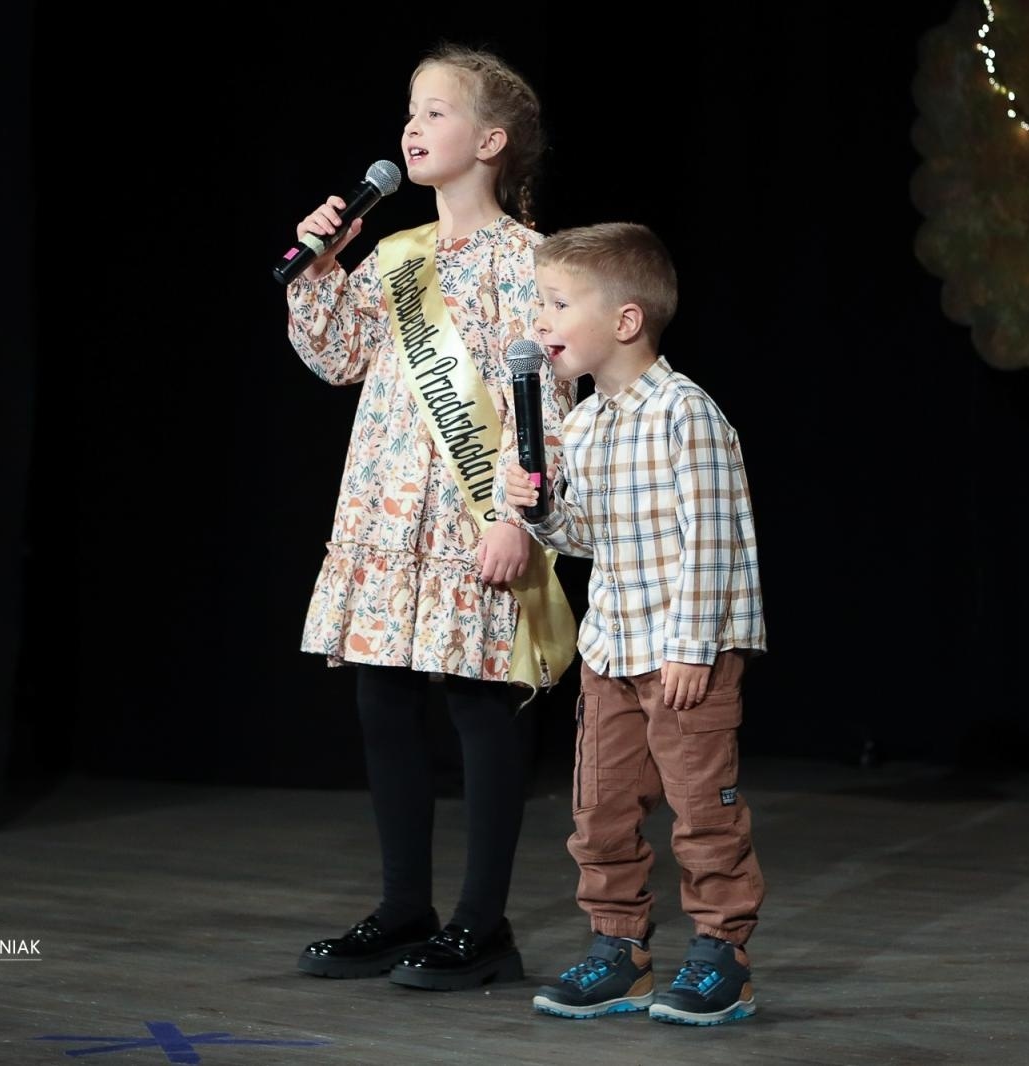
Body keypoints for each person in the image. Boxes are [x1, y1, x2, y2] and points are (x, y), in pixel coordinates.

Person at [281, 42, 578, 992]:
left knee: (479, 704)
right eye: (409, 111)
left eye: (437, 111)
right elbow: (336, 357)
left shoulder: (531, 261)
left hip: (472, 520)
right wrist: (319, 261)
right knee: (384, 699)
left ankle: (482, 926)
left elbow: (547, 406)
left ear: (491, 141)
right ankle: (403, 903)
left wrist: (516, 519)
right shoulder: (395, 253)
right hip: (384, 512)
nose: (412, 127)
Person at [503, 222, 768, 1025]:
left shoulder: (687, 414)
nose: (539, 323)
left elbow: (713, 540)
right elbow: (586, 538)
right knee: (601, 808)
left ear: (625, 320)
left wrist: (691, 649)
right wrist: (545, 511)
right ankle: (620, 950)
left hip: (685, 652)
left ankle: (723, 953)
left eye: (556, 304)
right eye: (537, 305)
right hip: (611, 649)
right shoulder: (582, 424)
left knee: (702, 811)